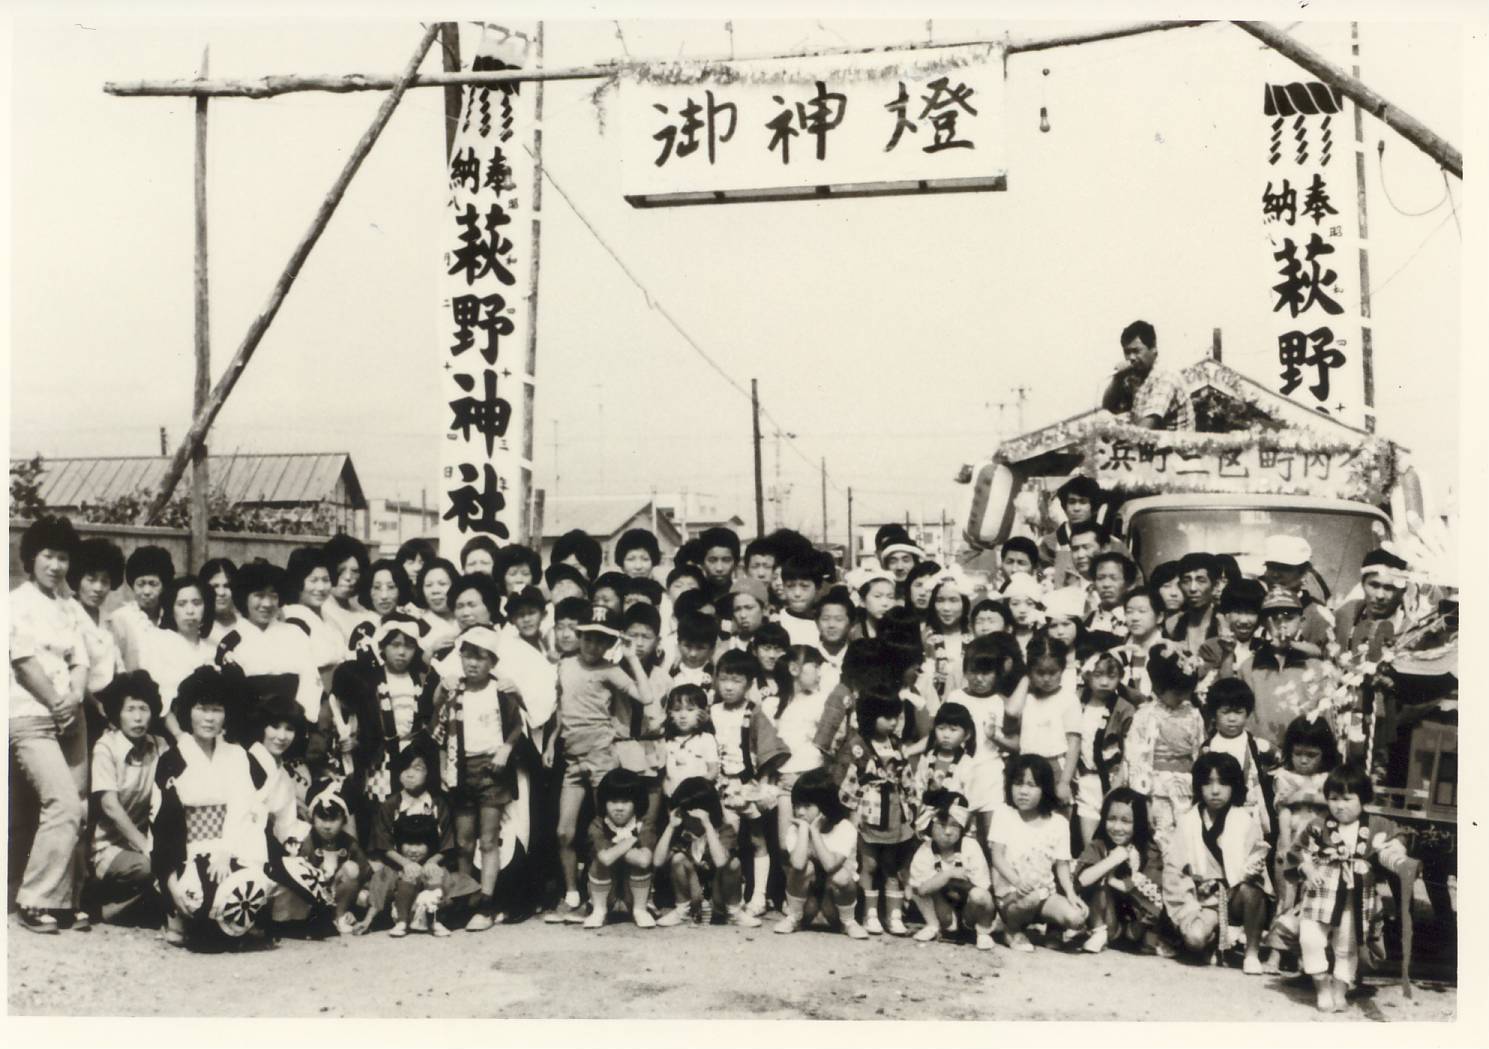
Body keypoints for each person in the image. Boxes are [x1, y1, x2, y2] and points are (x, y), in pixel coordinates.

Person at [546, 605, 655, 924]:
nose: (593, 646)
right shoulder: (565, 665)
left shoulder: (609, 669)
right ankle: (572, 895)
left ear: (609, 644)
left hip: (602, 756)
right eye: (588, 638)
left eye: (601, 640)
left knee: (606, 830)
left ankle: (613, 898)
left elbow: (645, 697)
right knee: (564, 832)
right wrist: (553, 742)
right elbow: (561, 710)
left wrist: (632, 656)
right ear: (578, 637)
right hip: (572, 758)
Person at [1275, 764, 1411, 1012]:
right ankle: (1321, 985)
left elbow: (1400, 836)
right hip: (1321, 892)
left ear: (1363, 799)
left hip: (1356, 896)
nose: (1339, 805)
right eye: (1333, 799)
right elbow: (1297, 852)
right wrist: (1308, 869)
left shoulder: (1377, 825)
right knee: (1310, 938)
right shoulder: (1317, 824)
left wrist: (1394, 849)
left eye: (1348, 799)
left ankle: (1340, 990)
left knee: (1346, 946)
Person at [10, 515, 91, 934]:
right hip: (30, 715)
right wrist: (57, 702)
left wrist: (74, 698)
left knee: (79, 803)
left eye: (62, 557)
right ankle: (34, 899)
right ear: (31, 558)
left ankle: (66, 901)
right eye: (48, 556)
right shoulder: (15, 603)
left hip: (68, 715)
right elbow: (23, 664)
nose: (56, 566)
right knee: (61, 800)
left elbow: (80, 660)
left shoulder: (68, 607)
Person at [431, 625, 539, 932]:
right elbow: (435, 716)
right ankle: (467, 897)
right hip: (460, 768)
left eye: (481, 657)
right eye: (468, 655)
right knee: (465, 841)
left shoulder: (500, 689)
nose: (473, 663)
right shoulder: (455, 688)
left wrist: (506, 748)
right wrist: (442, 689)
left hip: (493, 770)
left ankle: (488, 901)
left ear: (492, 661)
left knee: (489, 839)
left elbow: (519, 724)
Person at [150, 664, 266, 945]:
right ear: (189, 710)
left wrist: (226, 852)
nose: (209, 718)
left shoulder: (237, 755)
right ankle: (177, 913)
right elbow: (163, 825)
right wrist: (171, 880)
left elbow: (243, 807)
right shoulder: (172, 759)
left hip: (231, 845)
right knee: (196, 907)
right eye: (202, 708)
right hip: (187, 849)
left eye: (217, 710)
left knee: (239, 896)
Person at [1160, 752, 1271, 973]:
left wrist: (1251, 871)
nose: (1215, 790)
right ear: (1198, 786)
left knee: (1252, 888)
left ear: (1234, 786)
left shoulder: (1245, 822)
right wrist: (1190, 907)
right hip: (1202, 900)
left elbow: (1257, 865)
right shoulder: (1188, 822)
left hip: (1235, 898)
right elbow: (1174, 871)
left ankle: (1251, 951)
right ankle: (1215, 942)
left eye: (1223, 783)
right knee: (1195, 937)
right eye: (1208, 783)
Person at [367, 736, 478, 937]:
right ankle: (401, 919)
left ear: (429, 773)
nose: (410, 774)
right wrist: (405, 863)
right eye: (405, 768)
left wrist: (432, 862)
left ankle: (434, 919)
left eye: (418, 768)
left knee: (438, 878)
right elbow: (383, 843)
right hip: (399, 865)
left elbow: (447, 842)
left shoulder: (437, 804)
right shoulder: (391, 805)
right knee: (398, 879)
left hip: (430, 863)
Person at [88, 670, 169, 923]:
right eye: (130, 709)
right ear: (117, 714)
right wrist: (146, 848)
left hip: (146, 842)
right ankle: (107, 910)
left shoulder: (159, 745)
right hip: (108, 848)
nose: (138, 717)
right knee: (148, 868)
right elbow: (110, 806)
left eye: (144, 709)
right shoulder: (106, 747)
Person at [711, 648, 786, 922]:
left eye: (737, 680)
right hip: (720, 782)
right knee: (727, 837)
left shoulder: (754, 712)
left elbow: (768, 749)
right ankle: (730, 897)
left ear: (750, 683)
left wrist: (762, 783)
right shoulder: (712, 711)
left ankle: (759, 896)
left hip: (747, 780)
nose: (729, 686)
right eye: (724, 679)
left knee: (757, 839)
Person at [835, 691, 916, 937]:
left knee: (891, 864)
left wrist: (912, 803)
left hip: (893, 810)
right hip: (869, 810)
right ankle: (870, 913)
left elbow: (906, 777)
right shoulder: (857, 745)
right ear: (871, 716)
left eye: (896, 717)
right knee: (868, 863)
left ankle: (894, 914)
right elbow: (847, 779)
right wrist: (852, 811)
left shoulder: (896, 744)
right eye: (887, 716)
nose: (893, 722)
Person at [989, 754, 1088, 952]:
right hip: (1011, 896)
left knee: (1077, 917)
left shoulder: (1059, 823)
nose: (1023, 792)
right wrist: (1017, 882)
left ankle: (1051, 927)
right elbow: (997, 857)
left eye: (1032, 785)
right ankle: (1012, 930)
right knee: (1030, 899)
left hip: (1044, 896)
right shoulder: (1004, 814)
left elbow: (1062, 865)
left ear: (1045, 789)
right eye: (1018, 784)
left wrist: (1070, 894)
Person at [214, 560, 322, 724]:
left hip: (294, 725)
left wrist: (300, 723)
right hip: (249, 728)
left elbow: (310, 684)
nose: (267, 603)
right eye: (259, 595)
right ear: (245, 597)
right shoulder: (232, 642)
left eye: (273, 595)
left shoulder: (295, 634)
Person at [1125, 642, 1206, 849]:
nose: (1182, 697)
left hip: (1186, 785)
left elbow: (1199, 750)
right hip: (1156, 786)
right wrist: (1144, 798)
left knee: (1189, 835)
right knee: (1161, 835)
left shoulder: (1194, 715)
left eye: (1185, 692)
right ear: (1159, 688)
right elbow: (1136, 757)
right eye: (1177, 692)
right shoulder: (1146, 715)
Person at [1240, 588, 1341, 748]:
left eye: (1289, 618)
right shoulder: (1249, 667)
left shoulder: (1317, 667)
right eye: (1274, 618)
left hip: (1303, 755)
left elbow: (1325, 718)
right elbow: (1245, 717)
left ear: (1301, 621)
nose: (1282, 625)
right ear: (1264, 622)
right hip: (1262, 753)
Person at [773, 767, 865, 939]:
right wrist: (804, 830)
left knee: (841, 876)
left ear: (824, 805)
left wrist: (814, 832)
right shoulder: (796, 830)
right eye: (797, 805)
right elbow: (798, 864)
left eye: (807, 806)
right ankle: (794, 917)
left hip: (835, 904)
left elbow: (830, 865)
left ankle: (849, 922)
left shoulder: (844, 829)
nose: (800, 812)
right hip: (809, 902)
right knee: (804, 869)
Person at [1074, 787, 1165, 955]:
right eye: (1111, 819)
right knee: (1097, 878)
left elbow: (1149, 886)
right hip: (1108, 916)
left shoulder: (1149, 850)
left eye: (1125, 821)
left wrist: (1114, 880)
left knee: (1150, 937)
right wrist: (1113, 860)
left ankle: (1138, 935)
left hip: (1138, 918)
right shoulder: (1099, 845)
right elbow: (1082, 880)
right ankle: (1100, 932)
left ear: (1137, 822)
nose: (1117, 827)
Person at [908, 789, 997, 952]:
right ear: (930, 825)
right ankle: (933, 925)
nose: (947, 832)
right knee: (918, 886)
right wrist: (948, 874)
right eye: (941, 825)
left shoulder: (970, 847)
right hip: (942, 904)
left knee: (980, 896)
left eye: (955, 825)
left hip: (969, 905)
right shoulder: (925, 851)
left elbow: (983, 888)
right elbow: (921, 889)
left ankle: (983, 931)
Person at [1269, 715, 1341, 914]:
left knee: (1315, 891)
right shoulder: (1285, 776)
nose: (1303, 760)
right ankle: (1281, 933)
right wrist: (1284, 844)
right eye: (1298, 753)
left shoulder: (1329, 778)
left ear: (1324, 754)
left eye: (1311, 755)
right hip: (1291, 838)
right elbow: (1283, 810)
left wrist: (1302, 795)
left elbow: (1335, 804)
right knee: (1287, 892)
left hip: (1320, 843)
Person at [1073, 643, 1139, 848]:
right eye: (1098, 675)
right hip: (1084, 779)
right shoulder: (1076, 700)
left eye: (1111, 677)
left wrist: (1118, 784)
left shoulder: (1124, 709)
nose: (1104, 682)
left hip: (1112, 779)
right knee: (1089, 841)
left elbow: (1129, 751)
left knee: (1115, 834)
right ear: (1086, 675)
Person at [654, 776, 742, 928]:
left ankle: (734, 912)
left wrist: (707, 826)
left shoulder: (723, 830)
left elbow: (721, 862)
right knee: (678, 858)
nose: (690, 820)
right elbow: (657, 861)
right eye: (686, 815)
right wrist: (671, 826)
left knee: (734, 863)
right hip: (694, 892)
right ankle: (683, 911)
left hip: (718, 893)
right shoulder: (681, 832)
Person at [1200, 678, 1276, 839]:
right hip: (1219, 806)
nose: (1232, 718)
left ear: (1247, 712)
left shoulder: (1256, 745)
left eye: (1238, 712)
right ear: (1214, 713)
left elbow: (1279, 759)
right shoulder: (1208, 748)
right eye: (1225, 712)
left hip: (1249, 807)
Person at [582, 768, 657, 929]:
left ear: (636, 802)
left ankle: (640, 911)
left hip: (635, 896)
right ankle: (599, 911)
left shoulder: (644, 823)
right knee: (599, 861)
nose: (619, 808)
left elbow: (644, 860)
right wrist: (631, 840)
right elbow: (605, 859)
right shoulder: (598, 824)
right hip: (606, 895)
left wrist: (615, 849)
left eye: (625, 801)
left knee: (638, 862)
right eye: (613, 801)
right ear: (604, 802)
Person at [144, 576, 217, 737]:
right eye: (181, 604)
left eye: (197, 603)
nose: (190, 611)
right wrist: (180, 737)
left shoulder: (212, 649)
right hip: (168, 731)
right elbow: (158, 697)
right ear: (171, 608)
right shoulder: (157, 641)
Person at [1017, 633, 1081, 810]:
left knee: (1058, 817)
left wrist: (1065, 782)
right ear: (1030, 671)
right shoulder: (1025, 697)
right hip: (1027, 766)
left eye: (1053, 672)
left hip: (1056, 767)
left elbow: (1074, 743)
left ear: (1062, 669)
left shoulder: (1068, 699)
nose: (1046, 679)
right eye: (1040, 673)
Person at [70, 538, 125, 739]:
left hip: (107, 705)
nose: (98, 588)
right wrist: (97, 706)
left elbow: (118, 667)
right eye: (91, 579)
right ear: (77, 579)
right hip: (81, 705)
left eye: (105, 581)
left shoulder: (107, 619)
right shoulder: (68, 615)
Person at [1101, 319, 1194, 430]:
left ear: (1153, 348)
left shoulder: (1166, 376)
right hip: (1152, 442)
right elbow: (1109, 406)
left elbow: (1145, 428)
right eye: (1127, 352)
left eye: (1136, 351)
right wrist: (1118, 378)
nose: (1131, 358)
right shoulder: (1137, 373)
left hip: (1175, 445)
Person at [280, 547, 346, 693]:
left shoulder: (329, 618)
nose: (321, 587)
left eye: (326, 580)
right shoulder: (292, 617)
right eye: (313, 580)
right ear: (299, 582)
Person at [1334, 548, 1411, 657]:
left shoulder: (1409, 631)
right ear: (1362, 583)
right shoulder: (1345, 614)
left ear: (1402, 590)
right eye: (1374, 585)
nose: (1380, 595)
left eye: (1389, 588)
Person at [1260, 535, 1333, 648]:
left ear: (1303, 573)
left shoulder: (1319, 616)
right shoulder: (1258, 608)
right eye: (1271, 567)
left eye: (1284, 568)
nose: (1275, 574)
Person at [111, 545, 174, 673]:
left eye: (153, 584)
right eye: (141, 584)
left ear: (163, 586)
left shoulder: (172, 616)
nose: (146, 591)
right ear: (132, 585)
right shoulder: (121, 618)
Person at [1198, 578, 1267, 679]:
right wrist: (1227, 653)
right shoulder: (1210, 648)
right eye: (1237, 611)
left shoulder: (1265, 648)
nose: (1243, 620)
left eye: (1251, 613)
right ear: (1226, 614)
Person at [322, 534, 375, 645]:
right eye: (341, 570)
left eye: (355, 571)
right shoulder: (323, 611)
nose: (348, 577)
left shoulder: (363, 612)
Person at [1165, 552, 1221, 653]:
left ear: (1215, 585)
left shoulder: (1223, 624)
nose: (1192, 588)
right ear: (1180, 585)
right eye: (1186, 581)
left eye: (1201, 580)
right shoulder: (1172, 625)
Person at [1120, 587, 1164, 701]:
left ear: (1159, 617)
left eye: (1142, 611)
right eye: (1129, 612)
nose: (1135, 618)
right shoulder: (1118, 648)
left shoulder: (1167, 650)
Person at [412, 557, 461, 656]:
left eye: (442, 584)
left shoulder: (465, 618)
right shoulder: (416, 628)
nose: (435, 591)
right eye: (429, 585)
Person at [1086, 551, 1136, 637]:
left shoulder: (1138, 619)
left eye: (1114, 578)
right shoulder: (1084, 621)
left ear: (1129, 584)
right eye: (1100, 578)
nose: (1106, 584)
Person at [198, 557, 240, 650]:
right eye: (215, 586)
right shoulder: (197, 627)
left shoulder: (245, 624)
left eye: (227, 586)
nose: (221, 593)